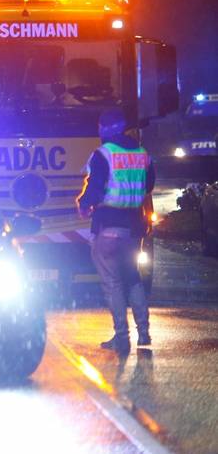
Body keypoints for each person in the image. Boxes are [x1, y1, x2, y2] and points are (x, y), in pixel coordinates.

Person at [77, 108, 155, 355]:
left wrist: (83, 204)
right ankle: (144, 332)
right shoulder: (142, 154)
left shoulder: (103, 154)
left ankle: (122, 337)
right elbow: (149, 184)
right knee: (133, 277)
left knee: (112, 283)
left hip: (108, 226)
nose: (98, 131)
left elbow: (95, 187)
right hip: (134, 228)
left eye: (100, 127)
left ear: (107, 128)